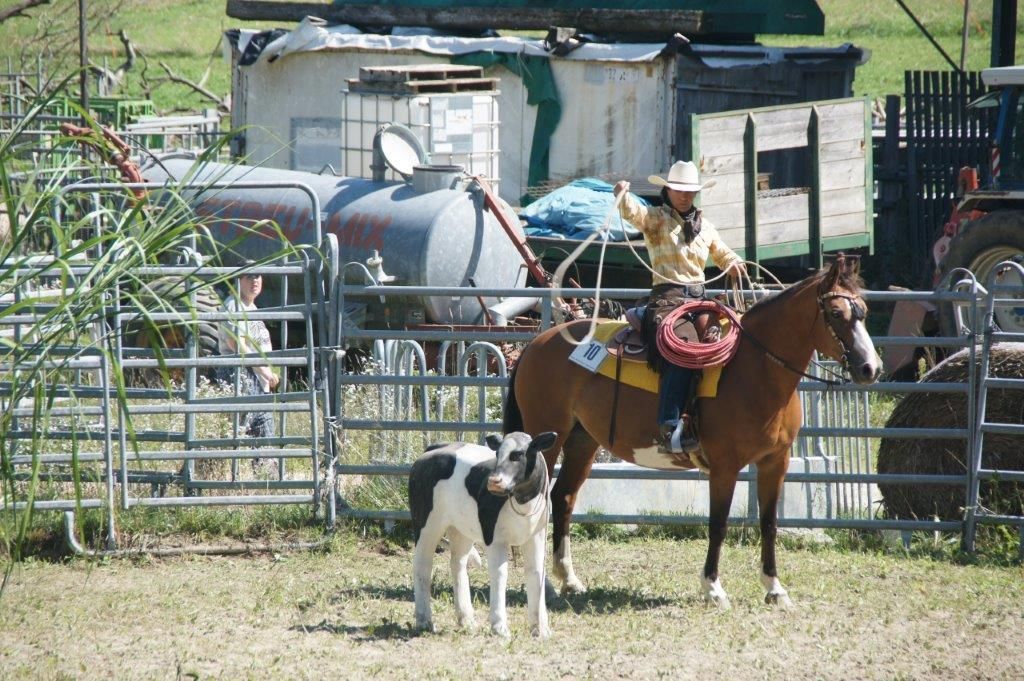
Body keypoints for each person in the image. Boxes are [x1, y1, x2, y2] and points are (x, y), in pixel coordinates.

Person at [613, 160, 746, 454]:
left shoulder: (705, 226)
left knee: (729, 339)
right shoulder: (656, 219)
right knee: (682, 348)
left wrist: (734, 263)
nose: (686, 196)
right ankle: (669, 425)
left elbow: (723, 253)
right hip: (666, 300)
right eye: (680, 191)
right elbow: (633, 213)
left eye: (691, 191)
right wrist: (621, 195)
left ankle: (720, 418)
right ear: (668, 190)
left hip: (699, 300)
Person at [216, 267, 280, 444]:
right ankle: (205, 465)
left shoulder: (250, 306)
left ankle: (265, 469)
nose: (255, 280)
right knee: (233, 433)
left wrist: (268, 373)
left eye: (258, 276)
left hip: (256, 377)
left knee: (258, 431)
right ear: (237, 280)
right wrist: (266, 372)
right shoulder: (233, 306)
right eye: (249, 276)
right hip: (239, 373)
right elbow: (237, 345)